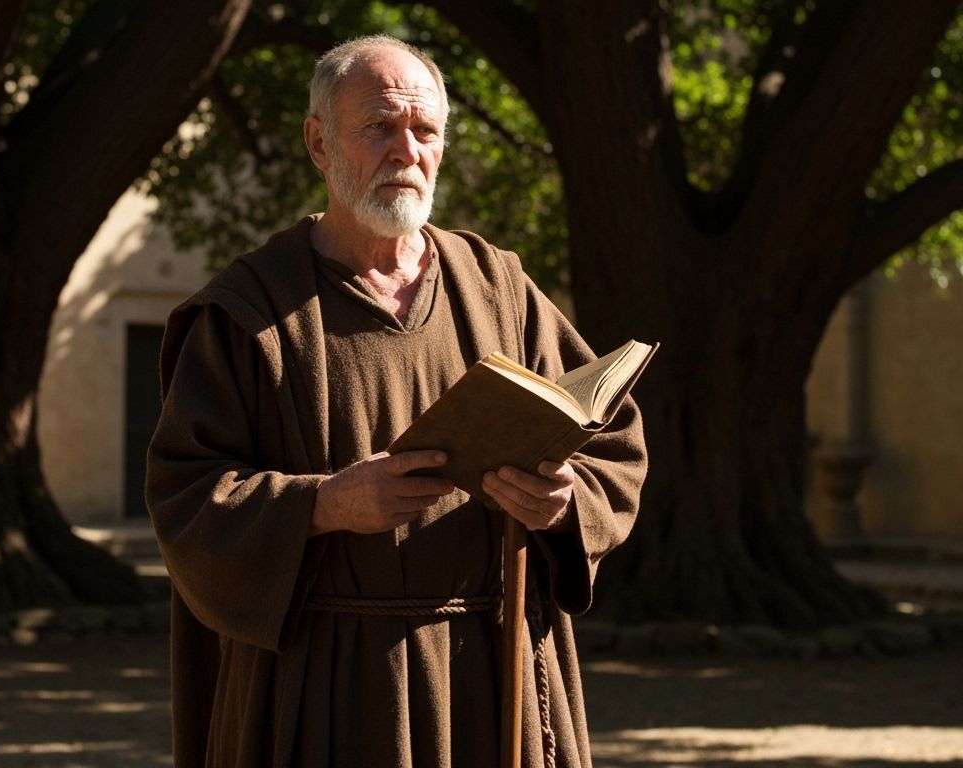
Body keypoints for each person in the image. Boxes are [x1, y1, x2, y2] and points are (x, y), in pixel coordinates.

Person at [147, 34, 647, 768]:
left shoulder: (498, 286)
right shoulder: (247, 312)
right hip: (328, 688)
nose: (406, 150)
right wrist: (324, 504)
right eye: (379, 126)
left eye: (425, 130)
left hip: (494, 670)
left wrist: (565, 506)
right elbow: (185, 496)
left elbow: (613, 445)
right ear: (320, 143)